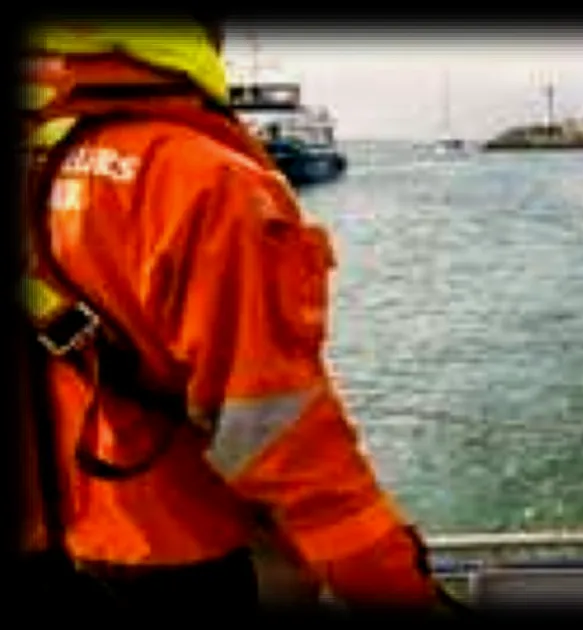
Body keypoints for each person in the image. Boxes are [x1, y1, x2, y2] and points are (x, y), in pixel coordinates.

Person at [18, 17, 461, 614]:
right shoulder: (201, 183)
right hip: (167, 560)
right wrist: (400, 591)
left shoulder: (43, 159)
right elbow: (286, 445)